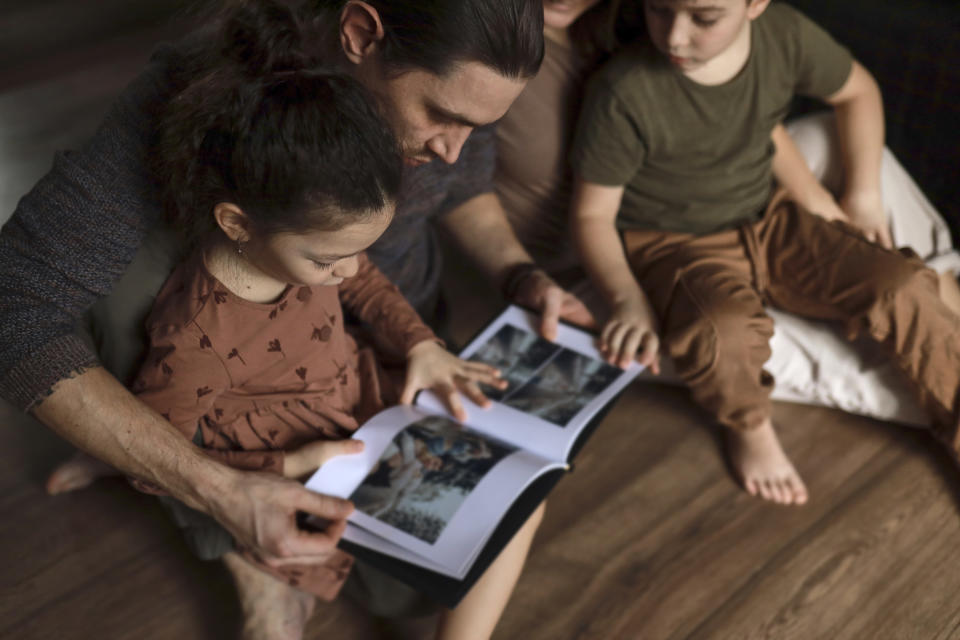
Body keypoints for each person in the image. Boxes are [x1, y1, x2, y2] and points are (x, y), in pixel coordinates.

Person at [0, 0, 560, 619]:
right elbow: (18, 306)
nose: (455, 151)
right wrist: (218, 489)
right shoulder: (201, 107)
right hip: (250, 386)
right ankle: (231, 544)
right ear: (359, 34)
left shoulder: (453, 119)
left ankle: (154, 466)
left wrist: (521, 276)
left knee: (454, 550)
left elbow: (464, 189)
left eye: (478, 128)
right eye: (442, 116)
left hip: (375, 361)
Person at [568, 0, 960, 506]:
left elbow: (858, 90)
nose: (674, 37)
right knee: (719, 335)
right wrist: (625, 299)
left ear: (755, 5)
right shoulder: (623, 91)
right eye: (659, 11)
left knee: (903, 283)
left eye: (704, 19)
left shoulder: (783, 36)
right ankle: (748, 425)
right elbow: (591, 216)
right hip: (678, 245)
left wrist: (860, 196)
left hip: (771, 218)